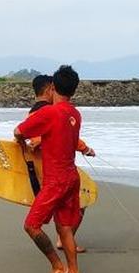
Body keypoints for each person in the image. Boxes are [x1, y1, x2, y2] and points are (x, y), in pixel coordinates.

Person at [14, 65, 89, 273]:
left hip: (55, 180)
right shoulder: (75, 114)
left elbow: (19, 131)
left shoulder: (49, 113)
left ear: (53, 87)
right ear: (74, 90)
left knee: (32, 225)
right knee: (64, 228)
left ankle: (58, 267)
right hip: (72, 178)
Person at [26, 74, 91, 254]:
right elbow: (62, 137)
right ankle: (62, 251)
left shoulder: (39, 111)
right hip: (50, 173)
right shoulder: (48, 112)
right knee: (79, 205)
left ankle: (64, 245)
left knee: (63, 214)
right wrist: (85, 148)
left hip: (50, 172)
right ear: (50, 89)